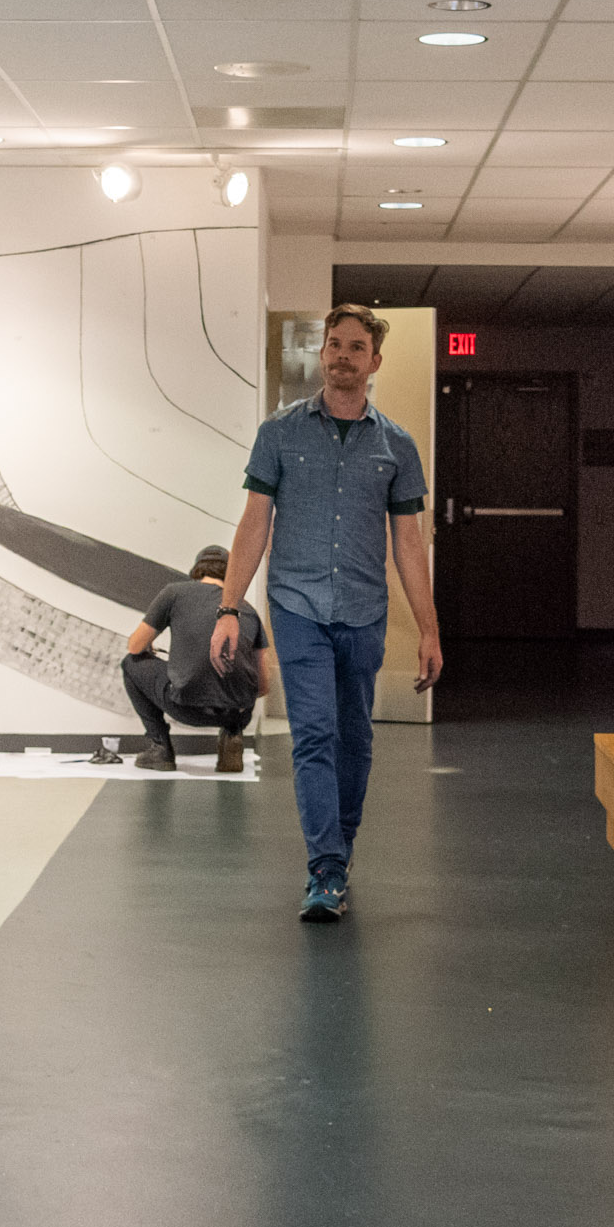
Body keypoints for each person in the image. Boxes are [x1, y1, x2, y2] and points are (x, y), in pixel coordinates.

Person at [213, 305, 440, 924]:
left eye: (356, 346)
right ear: (324, 356)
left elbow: (409, 543)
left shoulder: (397, 446)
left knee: (354, 738)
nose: (343, 355)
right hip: (297, 607)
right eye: (334, 345)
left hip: (364, 611)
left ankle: (340, 850)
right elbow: (254, 524)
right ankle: (325, 869)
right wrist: (229, 607)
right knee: (315, 735)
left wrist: (429, 629)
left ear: (375, 360)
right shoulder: (280, 433)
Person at [122, 544, 256, 774]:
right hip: (238, 712)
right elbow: (262, 684)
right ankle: (232, 735)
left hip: (186, 707)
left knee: (130, 663)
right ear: (229, 573)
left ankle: (160, 747)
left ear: (197, 570)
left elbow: (134, 646)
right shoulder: (247, 608)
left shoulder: (175, 593)